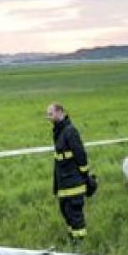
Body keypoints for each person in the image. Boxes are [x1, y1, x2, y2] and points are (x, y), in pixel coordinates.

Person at [47, 103, 90, 240]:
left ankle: (80, 243)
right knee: (66, 213)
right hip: (63, 183)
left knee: (75, 215)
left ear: (60, 112)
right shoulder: (59, 131)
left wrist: (84, 175)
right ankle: (72, 238)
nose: (48, 117)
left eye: (50, 114)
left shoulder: (70, 131)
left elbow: (80, 155)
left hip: (74, 183)